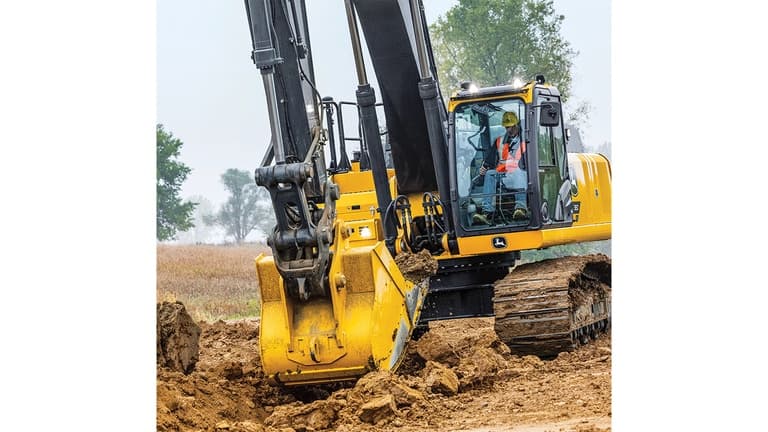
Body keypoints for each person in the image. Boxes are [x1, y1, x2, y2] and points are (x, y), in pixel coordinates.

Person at [473, 111, 528, 224]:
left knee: (519, 170)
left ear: (516, 125)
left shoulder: (526, 140)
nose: (508, 130)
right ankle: (487, 212)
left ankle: (520, 208)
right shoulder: (499, 141)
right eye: (506, 127)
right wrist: (484, 167)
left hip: (521, 174)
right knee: (490, 174)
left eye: (510, 127)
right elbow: (490, 158)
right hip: (503, 175)